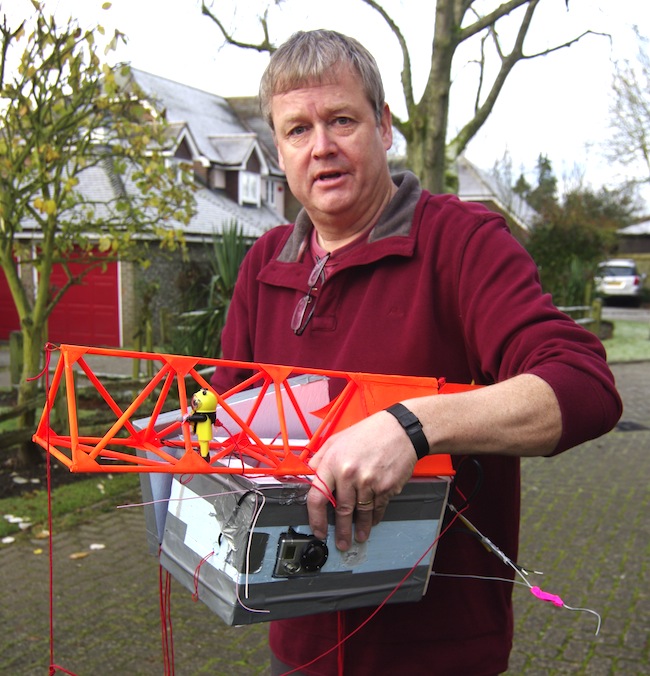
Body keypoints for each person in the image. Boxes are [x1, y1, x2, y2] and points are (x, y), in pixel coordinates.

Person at [211, 29, 621, 676]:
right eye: (297, 130)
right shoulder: (265, 265)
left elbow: (583, 386)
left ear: (384, 126)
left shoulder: (463, 245)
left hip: (436, 657)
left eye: (341, 119)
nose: (321, 147)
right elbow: (224, 416)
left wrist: (412, 427)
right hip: (297, 651)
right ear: (278, 149)